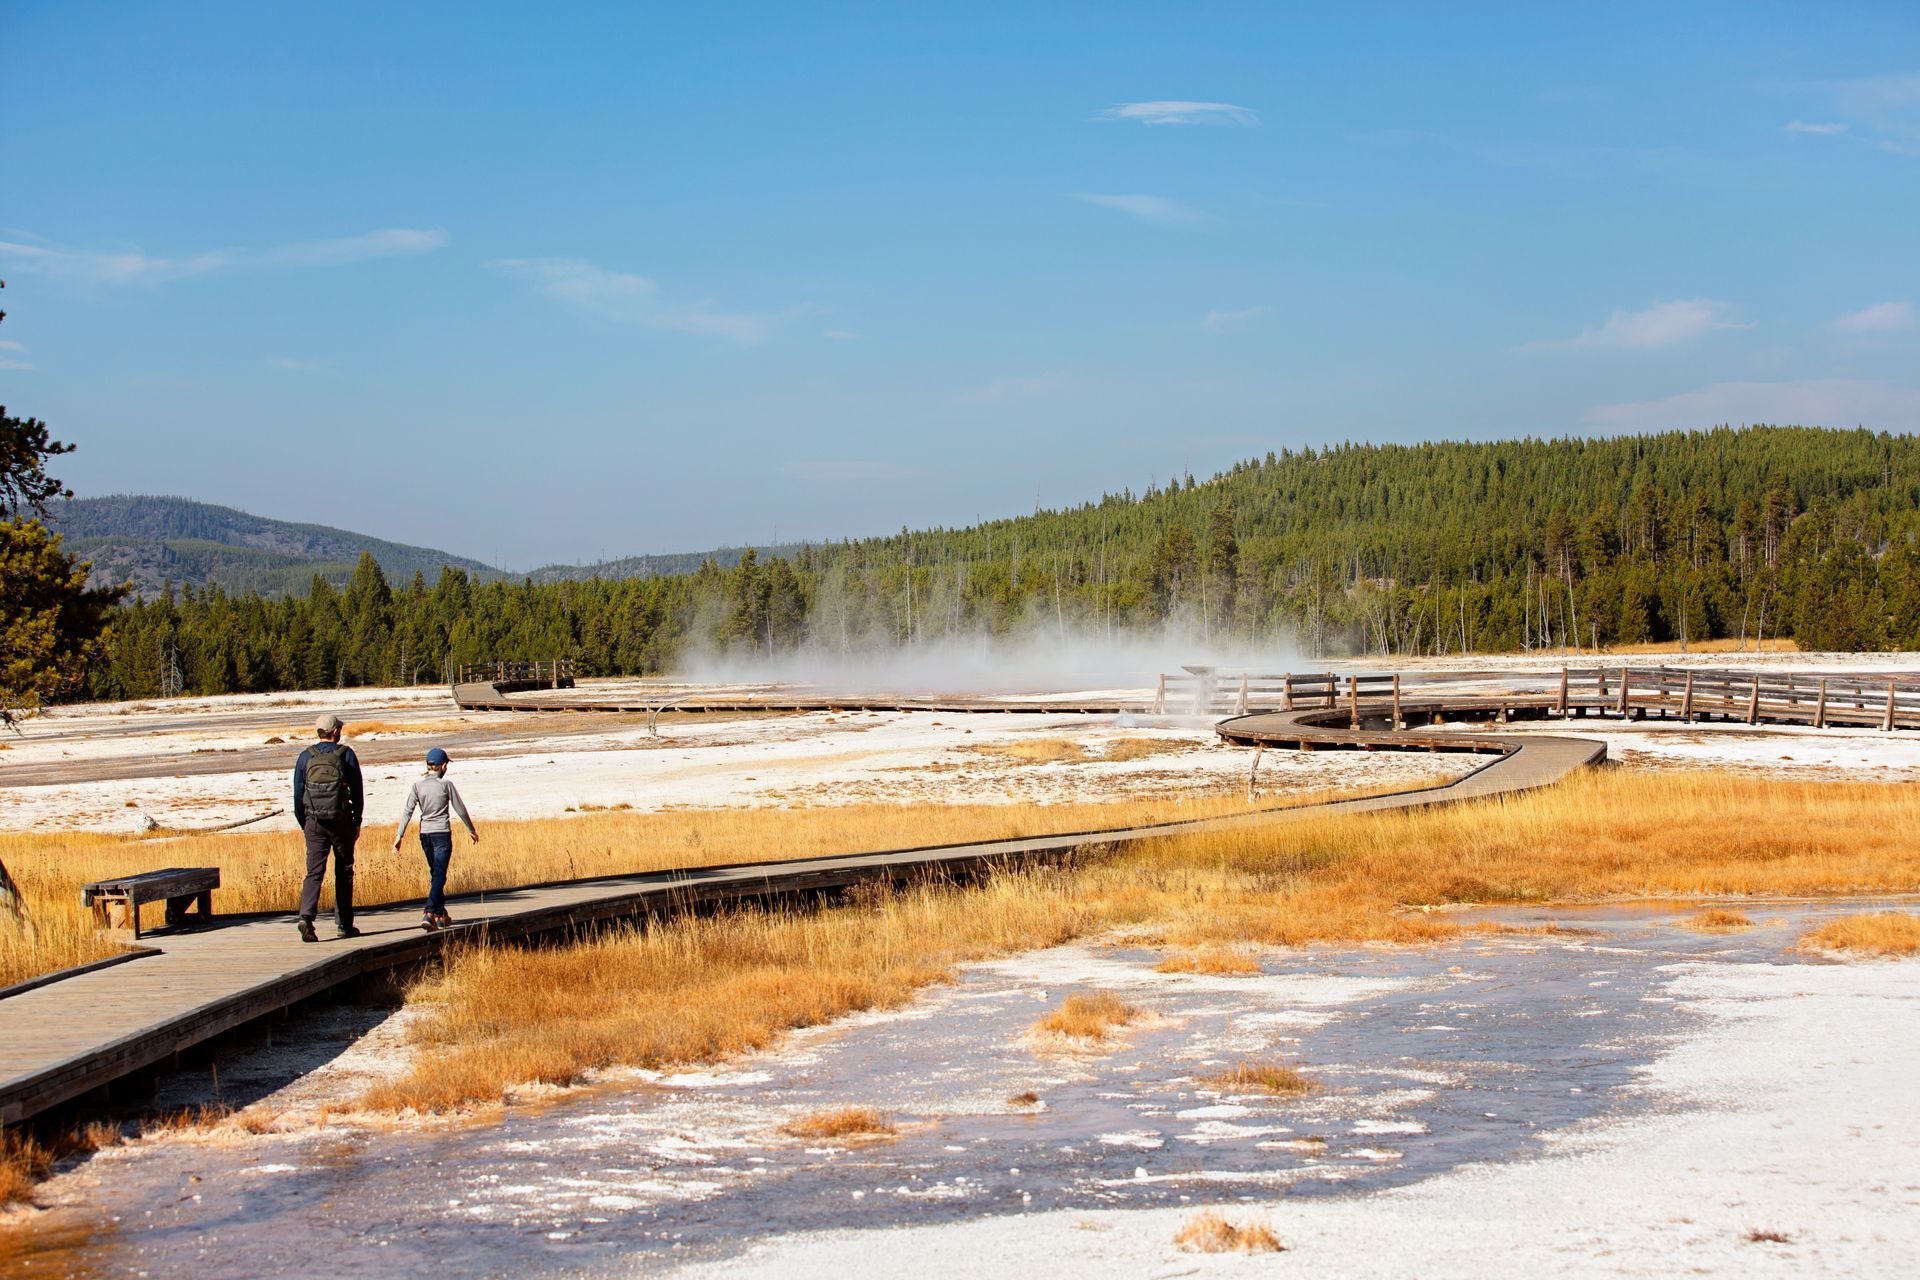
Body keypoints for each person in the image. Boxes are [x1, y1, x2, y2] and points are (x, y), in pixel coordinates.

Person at [292, 712, 364, 942]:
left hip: (314, 823)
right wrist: (357, 820)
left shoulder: (305, 756)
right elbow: (357, 791)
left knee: (314, 872)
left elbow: (297, 795)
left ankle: (306, 917)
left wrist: (306, 823)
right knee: (343, 872)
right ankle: (344, 924)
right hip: (341, 821)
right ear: (335, 732)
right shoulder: (346, 755)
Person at [393, 746, 478, 930]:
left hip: (425, 835)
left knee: (436, 874)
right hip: (441, 834)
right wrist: (471, 829)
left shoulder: (417, 786)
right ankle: (429, 911)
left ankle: (440, 914)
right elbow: (460, 808)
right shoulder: (446, 785)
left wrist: (399, 835)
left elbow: (408, 810)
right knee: (439, 874)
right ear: (443, 766)